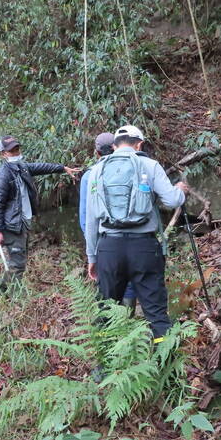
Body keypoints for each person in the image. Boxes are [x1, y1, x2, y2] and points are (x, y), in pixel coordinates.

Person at [84, 125, 189, 340]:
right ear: (139, 144)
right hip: (144, 248)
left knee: (106, 311)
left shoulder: (96, 171)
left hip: (109, 248)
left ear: (114, 146)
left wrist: (92, 257)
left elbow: (91, 218)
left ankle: (104, 368)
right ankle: (165, 364)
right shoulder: (149, 165)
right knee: (156, 312)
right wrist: (180, 191)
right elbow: (172, 201)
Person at [0, 135, 79, 287]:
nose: (16, 152)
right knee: (17, 264)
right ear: (3, 154)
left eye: (17, 148)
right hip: (12, 226)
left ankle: (1, 291)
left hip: (22, 223)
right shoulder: (3, 176)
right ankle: (6, 295)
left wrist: (62, 168)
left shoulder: (21, 167)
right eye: (12, 151)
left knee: (18, 262)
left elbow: (41, 167)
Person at [79, 132, 138, 312]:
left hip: (104, 240)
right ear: (116, 147)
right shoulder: (133, 167)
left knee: (106, 287)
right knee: (129, 282)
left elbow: (85, 217)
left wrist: (92, 250)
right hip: (134, 237)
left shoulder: (90, 175)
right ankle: (128, 322)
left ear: (96, 152)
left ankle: (113, 328)